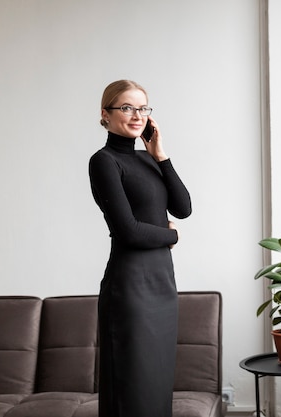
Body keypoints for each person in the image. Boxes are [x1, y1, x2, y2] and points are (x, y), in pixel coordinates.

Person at [89, 80, 192, 417]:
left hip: (163, 284)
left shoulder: (148, 160)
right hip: (130, 288)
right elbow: (128, 231)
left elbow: (183, 208)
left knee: (157, 389)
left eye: (143, 108)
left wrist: (161, 156)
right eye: (127, 108)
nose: (137, 116)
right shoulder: (104, 162)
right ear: (105, 114)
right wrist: (172, 237)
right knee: (133, 391)